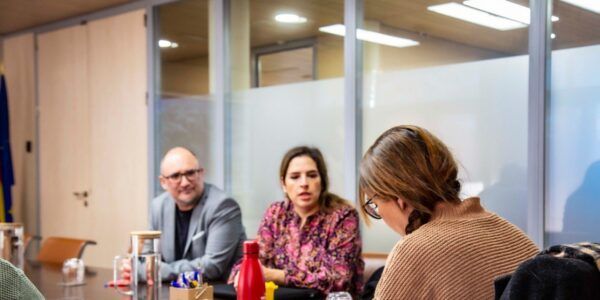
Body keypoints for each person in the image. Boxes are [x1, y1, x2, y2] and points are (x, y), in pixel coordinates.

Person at [358, 125, 539, 299]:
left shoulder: (414, 250)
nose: (379, 214)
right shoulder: (510, 233)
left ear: (399, 200)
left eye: (375, 204)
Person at [229, 146, 364, 296]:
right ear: (283, 184)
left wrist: (276, 275)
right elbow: (254, 260)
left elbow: (338, 279)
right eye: (295, 177)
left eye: (312, 175)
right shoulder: (276, 213)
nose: (304, 183)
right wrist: (243, 272)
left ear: (322, 181)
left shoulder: (343, 217)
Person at [143, 147, 246, 281]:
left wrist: (158, 271)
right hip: (173, 291)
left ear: (201, 173)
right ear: (163, 182)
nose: (185, 182)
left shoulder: (223, 206)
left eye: (190, 173)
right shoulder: (158, 206)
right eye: (175, 176)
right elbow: (144, 259)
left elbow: (212, 266)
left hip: (215, 292)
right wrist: (140, 269)